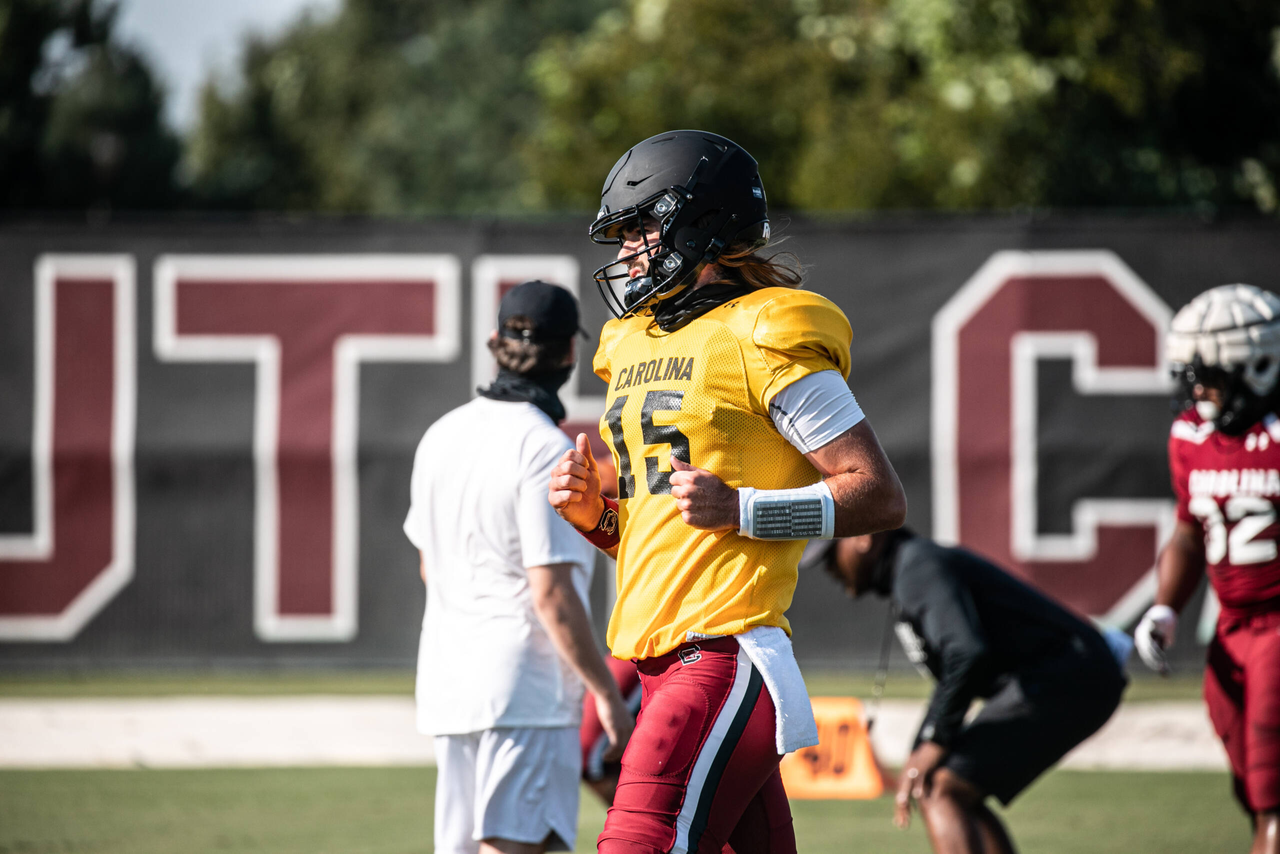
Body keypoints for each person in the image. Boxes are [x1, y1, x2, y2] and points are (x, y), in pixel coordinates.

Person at [548, 129, 908, 854]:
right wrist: (598, 519)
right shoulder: (635, 341)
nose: (626, 252)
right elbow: (670, 528)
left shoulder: (765, 331)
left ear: (698, 224)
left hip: (721, 656)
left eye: (639, 229)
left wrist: (743, 509)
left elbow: (876, 495)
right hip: (660, 663)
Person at [404, 280, 634, 854]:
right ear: (570, 352)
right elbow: (551, 596)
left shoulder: (439, 436)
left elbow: (431, 568)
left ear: (494, 341)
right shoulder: (545, 448)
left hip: (449, 685)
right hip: (525, 693)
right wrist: (606, 695)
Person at [810, 530, 1127, 854]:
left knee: (939, 788)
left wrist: (936, 739)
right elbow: (959, 667)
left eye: (831, 555)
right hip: (1067, 673)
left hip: (1067, 675)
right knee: (946, 784)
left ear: (863, 538)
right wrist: (921, 747)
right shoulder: (912, 565)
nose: (829, 568)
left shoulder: (916, 567)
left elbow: (965, 654)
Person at [1135, 283, 1280, 854]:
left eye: (1211, 376)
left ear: (1259, 367)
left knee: (1274, 799)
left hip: (1277, 625)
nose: (1199, 391)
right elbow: (1189, 532)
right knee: (1249, 786)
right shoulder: (1191, 436)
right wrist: (1166, 607)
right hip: (1231, 631)